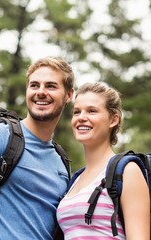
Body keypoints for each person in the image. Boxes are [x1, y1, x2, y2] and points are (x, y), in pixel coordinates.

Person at [0, 57, 75, 239]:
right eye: (34, 85)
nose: (41, 92)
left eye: (51, 86)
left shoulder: (61, 162)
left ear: (69, 95)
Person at [57, 82, 150, 239]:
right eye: (77, 112)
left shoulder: (128, 170)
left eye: (92, 111)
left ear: (113, 120)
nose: (81, 118)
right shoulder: (75, 180)